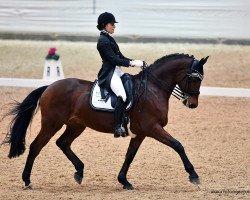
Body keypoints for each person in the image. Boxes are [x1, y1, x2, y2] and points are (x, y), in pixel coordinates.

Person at [96, 12, 144, 138]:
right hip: (109, 74)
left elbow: (121, 57)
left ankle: (127, 120)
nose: (114, 26)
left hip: (117, 71)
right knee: (122, 95)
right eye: (112, 24)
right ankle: (117, 127)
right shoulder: (103, 41)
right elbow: (114, 60)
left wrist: (136, 62)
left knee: (132, 88)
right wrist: (132, 63)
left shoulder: (110, 39)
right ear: (104, 25)